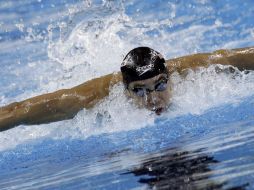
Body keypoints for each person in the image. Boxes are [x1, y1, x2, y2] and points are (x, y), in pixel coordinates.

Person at [0, 46, 254, 131]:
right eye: (139, 91)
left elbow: (235, 58)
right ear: (124, 90)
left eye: (160, 85)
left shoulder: (195, 69)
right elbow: (19, 110)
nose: (153, 99)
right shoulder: (90, 97)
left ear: (169, 76)